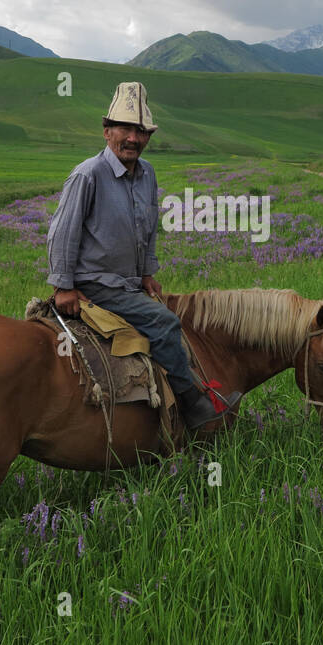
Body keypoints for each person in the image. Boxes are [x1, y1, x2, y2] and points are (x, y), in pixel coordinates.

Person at [46, 81, 241, 431]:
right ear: (107, 132)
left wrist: (148, 273)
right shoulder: (88, 175)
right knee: (165, 323)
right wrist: (63, 287)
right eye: (124, 129)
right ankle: (194, 408)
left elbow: (148, 228)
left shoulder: (147, 174)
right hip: (99, 283)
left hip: (132, 283)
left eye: (141, 131)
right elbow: (63, 231)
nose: (133, 138)